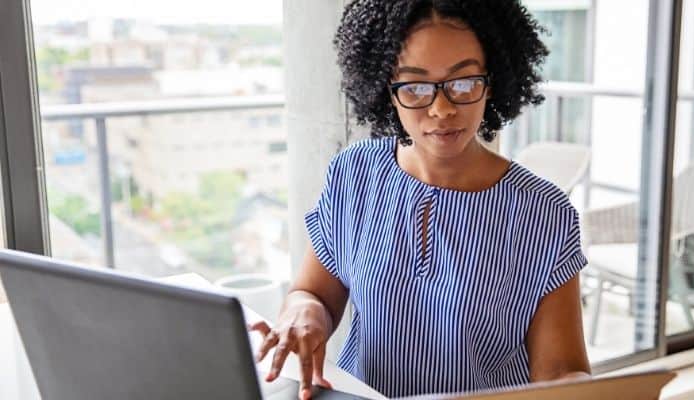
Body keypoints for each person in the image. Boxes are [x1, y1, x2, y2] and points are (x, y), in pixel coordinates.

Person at [249, 0, 591, 398]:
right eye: (414, 87)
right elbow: (315, 294)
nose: (442, 109)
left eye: (463, 83)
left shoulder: (543, 212)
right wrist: (303, 310)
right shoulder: (354, 175)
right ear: (386, 89)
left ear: (492, 79)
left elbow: (561, 371)